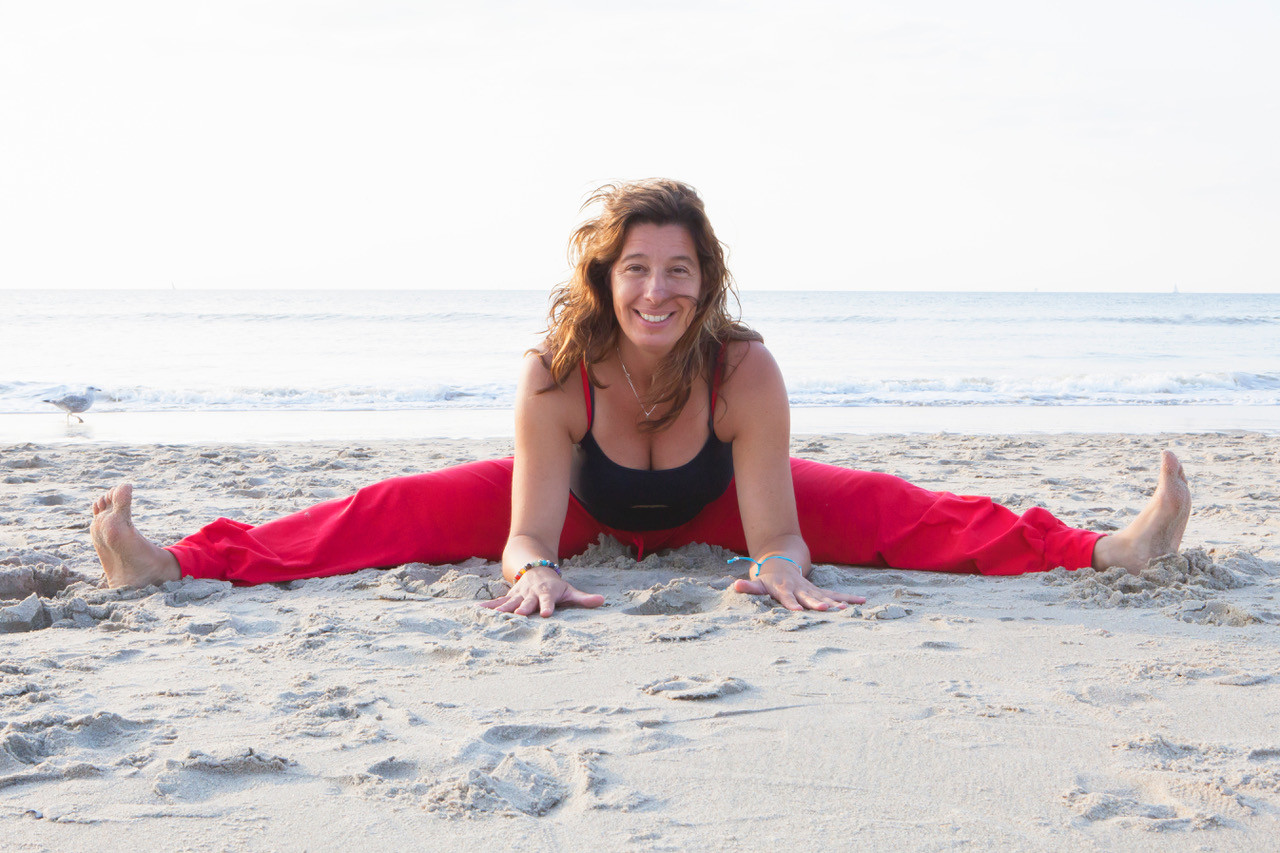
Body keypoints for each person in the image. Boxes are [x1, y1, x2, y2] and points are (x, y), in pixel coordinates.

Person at [90, 179, 1191, 617]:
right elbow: (526, 530)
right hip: (581, 510)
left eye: (677, 271)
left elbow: (775, 530)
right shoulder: (554, 372)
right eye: (636, 270)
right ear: (604, 280)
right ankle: (173, 562)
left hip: (719, 507)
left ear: (704, 281)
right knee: (384, 511)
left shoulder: (743, 370)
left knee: (902, 509)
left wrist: (780, 567)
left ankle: (1106, 551)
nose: (657, 291)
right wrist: (533, 574)